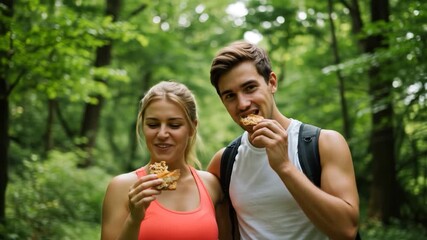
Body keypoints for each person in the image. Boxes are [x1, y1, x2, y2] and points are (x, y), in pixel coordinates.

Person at [207, 41, 360, 240]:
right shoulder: (224, 161)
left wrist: (284, 167)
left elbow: (346, 230)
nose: (243, 103)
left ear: (272, 82)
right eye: (230, 96)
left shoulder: (325, 144)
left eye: (250, 87)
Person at [101, 81, 222, 240]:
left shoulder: (211, 185)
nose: (162, 133)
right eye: (153, 124)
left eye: (174, 125)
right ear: (142, 126)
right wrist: (134, 219)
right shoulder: (122, 188)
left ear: (192, 127)